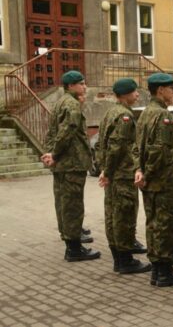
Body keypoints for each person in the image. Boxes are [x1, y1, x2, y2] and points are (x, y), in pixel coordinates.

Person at [135, 73, 173, 286]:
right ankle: (164, 272)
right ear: (160, 90)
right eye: (172, 88)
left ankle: (158, 271)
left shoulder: (145, 113)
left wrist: (139, 171)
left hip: (152, 181)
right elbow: (159, 150)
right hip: (164, 181)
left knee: (153, 223)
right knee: (164, 225)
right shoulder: (163, 116)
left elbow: (137, 146)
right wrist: (147, 173)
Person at [42, 70, 101, 262]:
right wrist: (55, 154)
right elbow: (67, 131)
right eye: (81, 83)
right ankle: (74, 249)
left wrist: (50, 153)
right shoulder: (72, 104)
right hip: (71, 163)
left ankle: (69, 238)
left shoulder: (60, 102)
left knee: (63, 202)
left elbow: (52, 131)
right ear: (70, 86)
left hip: (62, 163)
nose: (84, 87)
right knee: (73, 205)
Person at [96, 78, 151, 274]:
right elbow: (116, 146)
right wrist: (108, 172)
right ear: (126, 94)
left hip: (114, 175)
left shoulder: (110, 112)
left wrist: (103, 169)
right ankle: (125, 260)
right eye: (134, 92)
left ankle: (119, 259)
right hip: (122, 176)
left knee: (112, 216)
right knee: (124, 216)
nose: (137, 95)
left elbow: (101, 145)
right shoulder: (124, 116)